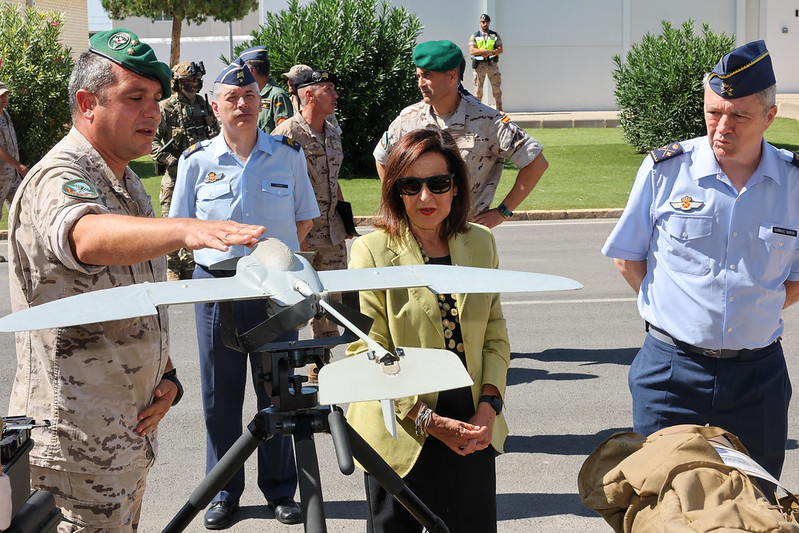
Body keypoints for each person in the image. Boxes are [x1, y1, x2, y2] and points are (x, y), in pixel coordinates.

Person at [6, 29, 265, 532]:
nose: (153, 111)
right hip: (76, 452)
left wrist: (166, 377)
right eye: (134, 98)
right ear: (87, 103)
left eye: (156, 98)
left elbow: (132, 298)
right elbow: (86, 236)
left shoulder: (123, 181)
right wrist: (185, 228)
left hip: (124, 439)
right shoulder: (59, 175)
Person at [602, 40, 799, 479]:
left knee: (755, 508)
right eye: (713, 112)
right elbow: (628, 257)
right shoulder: (666, 170)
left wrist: (749, 307)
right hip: (672, 371)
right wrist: (681, 307)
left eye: (739, 116)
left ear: (770, 116)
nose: (722, 127)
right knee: (661, 505)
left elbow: (797, 278)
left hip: (757, 379)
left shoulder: (793, 184)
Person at [169, 61, 319, 529]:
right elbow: (182, 230)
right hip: (217, 285)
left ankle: (279, 491)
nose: (242, 104)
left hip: (275, 285)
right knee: (220, 393)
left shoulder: (288, 155)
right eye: (232, 98)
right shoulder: (196, 161)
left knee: (278, 390)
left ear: (261, 102)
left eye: (250, 96)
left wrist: (272, 261)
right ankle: (222, 491)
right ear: (215, 107)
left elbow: (303, 221)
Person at [348, 127, 510, 532]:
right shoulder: (371, 250)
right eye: (411, 185)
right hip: (401, 422)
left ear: (455, 187)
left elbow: (495, 333)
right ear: (395, 191)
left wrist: (489, 408)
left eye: (438, 183)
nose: (425, 197)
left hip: (472, 421)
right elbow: (368, 350)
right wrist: (429, 422)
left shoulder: (481, 243)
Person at [374, 39, 548, 229]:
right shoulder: (408, 119)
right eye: (418, 76)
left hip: (466, 235)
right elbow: (382, 158)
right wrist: (398, 204)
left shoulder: (487, 121)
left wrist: (501, 212)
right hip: (418, 235)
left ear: (452, 76)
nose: (420, 83)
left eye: (427, 75)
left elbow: (536, 163)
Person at [272, 69, 349, 383]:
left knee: (329, 300)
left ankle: (322, 364)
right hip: (300, 234)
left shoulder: (332, 129)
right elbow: (275, 187)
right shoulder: (286, 133)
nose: (335, 95)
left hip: (331, 232)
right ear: (308, 94)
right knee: (292, 302)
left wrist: (345, 218)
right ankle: (283, 367)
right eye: (328, 89)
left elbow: (334, 179)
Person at [151, 60, 220, 281]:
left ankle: (191, 264)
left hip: (201, 177)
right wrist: (170, 159)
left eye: (196, 81)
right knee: (172, 222)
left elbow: (217, 135)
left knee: (198, 221)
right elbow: (152, 141)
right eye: (187, 81)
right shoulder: (166, 107)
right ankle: (172, 268)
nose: (192, 84)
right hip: (174, 176)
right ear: (177, 83)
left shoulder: (203, 104)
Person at [0, 82, 28, 262]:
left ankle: (22, 248)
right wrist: (19, 165)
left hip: (12, 175)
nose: (4, 99)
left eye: (5, 95)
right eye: (1, 96)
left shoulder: (6, 116)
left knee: (21, 207)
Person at [237, 46, 293, 133]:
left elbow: (284, 134)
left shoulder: (277, 95)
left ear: (249, 71)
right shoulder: (250, 96)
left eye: (241, 71)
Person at [282, 64, 342, 134]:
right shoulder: (285, 102)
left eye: (294, 79)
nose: (289, 83)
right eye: (289, 79)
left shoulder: (321, 107)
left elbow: (335, 134)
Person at [469, 13, 503, 111]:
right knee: (478, 89)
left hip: (492, 64)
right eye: (483, 22)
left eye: (487, 22)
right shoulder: (475, 35)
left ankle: (499, 109)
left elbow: (500, 49)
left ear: (489, 23)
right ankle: (477, 110)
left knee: (496, 87)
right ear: (480, 23)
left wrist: (490, 52)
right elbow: (472, 50)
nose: (485, 24)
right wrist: (484, 51)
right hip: (480, 65)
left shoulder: (494, 35)